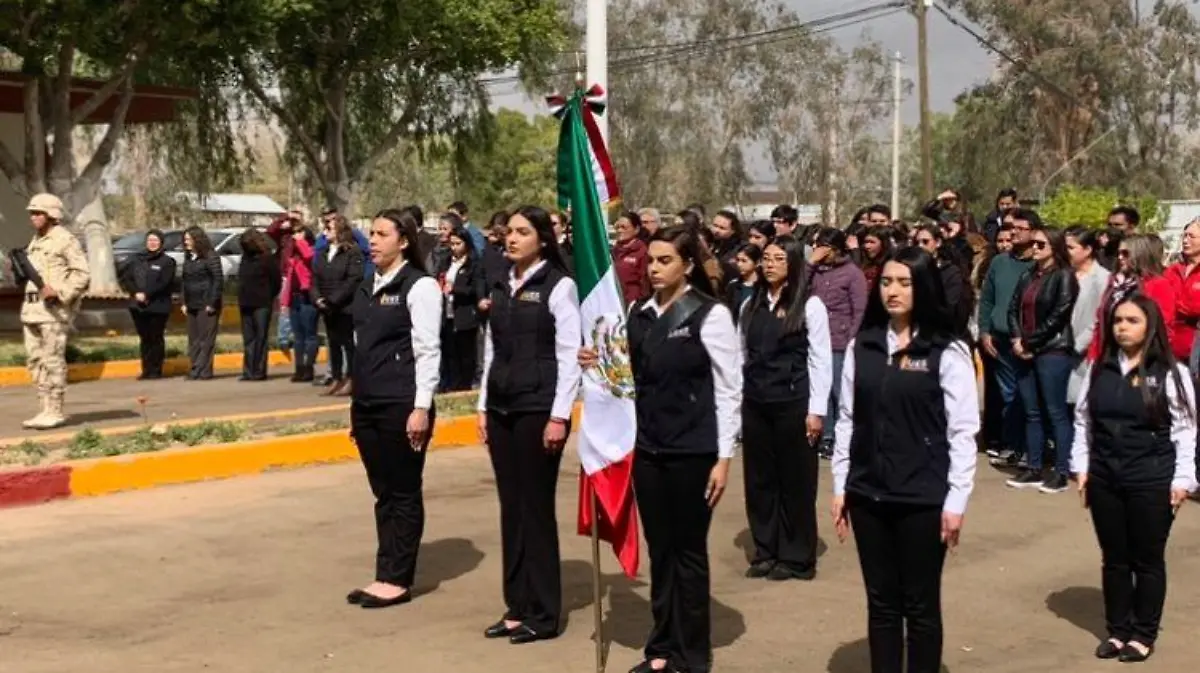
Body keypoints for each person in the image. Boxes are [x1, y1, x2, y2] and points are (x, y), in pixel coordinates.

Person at [580, 224, 742, 673]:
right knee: (661, 550)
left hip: (694, 452)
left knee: (688, 552)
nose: (653, 268)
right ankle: (661, 648)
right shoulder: (639, 312)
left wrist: (723, 459)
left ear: (687, 264)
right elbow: (624, 374)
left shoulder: (710, 315)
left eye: (664, 260)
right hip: (649, 450)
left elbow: (730, 391)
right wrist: (595, 362)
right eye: (650, 260)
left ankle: (691, 655)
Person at [831, 246, 979, 673]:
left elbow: (963, 431)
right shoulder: (865, 345)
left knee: (920, 606)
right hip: (868, 493)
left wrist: (955, 503)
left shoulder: (946, 350)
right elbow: (847, 419)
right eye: (886, 282)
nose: (892, 291)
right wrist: (842, 485)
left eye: (904, 282)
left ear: (924, 287)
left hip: (922, 496)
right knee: (881, 604)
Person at [1071, 294, 1196, 662]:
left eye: (1132, 320)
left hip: (1151, 478)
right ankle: (1117, 629)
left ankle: (1143, 633)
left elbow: (1185, 430)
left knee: (1147, 559)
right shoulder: (1099, 369)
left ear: (1150, 326)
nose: (1122, 327)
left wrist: (1182, 480)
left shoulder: (1172, 373)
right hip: (1105, 476)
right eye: (1117, 321)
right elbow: (1084, 422)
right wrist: (1081, 466)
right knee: (1114, 558)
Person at [477, 206, 582, 645]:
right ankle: (517, 606)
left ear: (543, 238)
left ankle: (544, 611)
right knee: (511, 507)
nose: (512, 239)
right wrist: (483, 405)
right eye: (509, 233)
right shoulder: (502, 281)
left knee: (535, 508)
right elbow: (491, 349)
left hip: (538, 408)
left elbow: (567, 354)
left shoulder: (559, 286)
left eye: (523, 232)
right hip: (501, 405)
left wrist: (559, 415)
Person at [345, 207, 442, 609]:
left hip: (402, 404)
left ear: (403, 241)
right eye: (371, 232)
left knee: (402, 491)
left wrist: (420, 408)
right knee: (382, 492)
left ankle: (397, 578)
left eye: (382, 233)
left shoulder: (419, 287)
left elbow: (427, 350)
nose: (373, 240)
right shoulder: (368, 285)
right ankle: (384, 571)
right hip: (367, 403)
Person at [739, 235, 832, 581]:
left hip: (794, 402)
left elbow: (821, 360)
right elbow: (740, 355)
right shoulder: (751, 305)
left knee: (795, 480)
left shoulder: (810, 306)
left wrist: (817, 410)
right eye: (766, 258)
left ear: (793, 263)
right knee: (760, 480)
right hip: (756, 400)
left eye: (778, 258)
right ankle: (766, 549)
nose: (769, 264)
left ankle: (796, 556)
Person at [1005, 227, 1080, 493]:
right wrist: (1017, 339)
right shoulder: (1028, 275)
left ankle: (1060, 471)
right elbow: (1013, 308)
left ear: (1055, 247)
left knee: (1056, 411)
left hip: (1052, 350)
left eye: (1040, 244)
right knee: (1031, 412)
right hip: (1023, 349)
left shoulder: (1064, 276)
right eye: (1033, 244)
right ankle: (1033, 468)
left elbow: (1059, 314)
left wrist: (1030, 342)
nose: (1034, 248)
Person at [18, 193, 90, 430]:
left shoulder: (65, 240)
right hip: (32, 310)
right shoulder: (36, 240)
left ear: (52, 215)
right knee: (35, 361)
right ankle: (44, 408)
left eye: (38, 213)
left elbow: (82, 274)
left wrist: (59, 293)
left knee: (52, 360)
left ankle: (55, 409)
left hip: (53, 312)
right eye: (32, 213)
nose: (34, 217)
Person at [808, 227, 869, 459]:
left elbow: (859, 309)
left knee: (837, 391)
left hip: (840, 341)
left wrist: (852, 339)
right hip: (816, 340)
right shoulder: (814, 271)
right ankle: (825, 435)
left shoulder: (852, 273)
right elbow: (799, 286)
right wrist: (810, 264)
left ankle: (835, 437)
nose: (817, 250)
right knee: (820, 390)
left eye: (821, 246)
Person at [314, 216, 366, 395]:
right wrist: (318, 298)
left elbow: (353, 280)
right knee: (333, 343)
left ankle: (351, 378)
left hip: (345, 307)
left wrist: (333, 300)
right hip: (327, 307)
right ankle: (336, 378)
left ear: (340, 231)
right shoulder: (322, 252)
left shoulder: (352, 252)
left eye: (330, 229)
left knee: (348, 343)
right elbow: (315, 278)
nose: (325, 232)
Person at [439, 225, 485, 392]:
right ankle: (452, 384)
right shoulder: (446, 261)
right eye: (452, 244)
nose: (454, 248)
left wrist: (456, 289)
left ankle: (465, 385)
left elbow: (475, 289)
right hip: (448, 313)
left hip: (465, 314)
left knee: (466, 354)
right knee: (450, 353)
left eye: (458, 244)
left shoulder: (474, 263)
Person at [127, 229, 176, 380]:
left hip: (158, 305)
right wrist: (136, 292)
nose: (152, 243)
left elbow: (164, 283)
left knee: (156, 337)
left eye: (155, 240)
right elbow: (128, 278)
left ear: (161, 243)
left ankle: (155, 370)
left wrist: (147, 294)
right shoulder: (136, 259)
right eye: (150, 240)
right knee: (144, 338)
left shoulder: (167, 262)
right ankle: (146, 369)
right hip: (138, 305)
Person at [236, 228, 280, 381]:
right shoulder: (245, 258)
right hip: (245, 303)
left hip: (262, 303)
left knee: (261, 337)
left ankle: (259, 371)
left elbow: (276, 281)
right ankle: (248, 371)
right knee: (248, 339)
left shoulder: (267, 259)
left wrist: (268, 296)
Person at [180, 226, 223, 381]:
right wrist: (184, 301)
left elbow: (217, 280)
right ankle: (196, 367)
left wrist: (212, 302)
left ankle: (202, 370)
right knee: (194, 339)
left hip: (206, 303)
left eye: (189, 239)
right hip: (192, 303)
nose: (187, 243)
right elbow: (184, 281)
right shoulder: (188, 258)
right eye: (185, 240)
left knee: (206, 339)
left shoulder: (210, 256)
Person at [285, 225, 318, 382]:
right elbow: (290, 280)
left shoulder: (312, 250)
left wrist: (301, 242)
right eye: (294, 233)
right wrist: (285, 301)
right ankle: (299, 368)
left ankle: (308, 368)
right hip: (295, 297)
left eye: (299, 232)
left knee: (310, 335)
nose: (296, 236)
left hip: (307, 297)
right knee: (298, 337)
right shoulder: (294, 256)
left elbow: (309, 256)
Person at [613, 211, 650, 305]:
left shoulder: (642, 252)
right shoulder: (613, 251)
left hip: (632, 303)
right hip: (614, 302)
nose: (619, 230)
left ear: (636, 229)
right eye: (617, 227)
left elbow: (645, 284)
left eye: (624, 227)